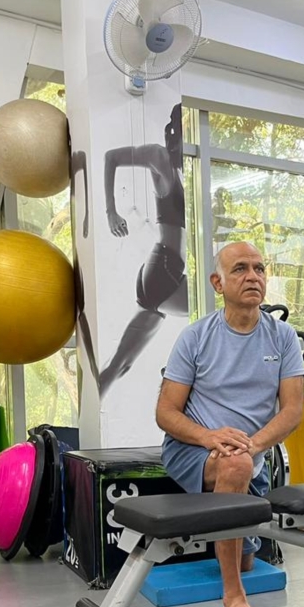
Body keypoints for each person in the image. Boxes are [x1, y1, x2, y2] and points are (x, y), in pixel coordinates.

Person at [156, 241, 304, 607]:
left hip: (250, 453)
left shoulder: (283, 338)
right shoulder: (196, 337)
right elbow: (166, 413)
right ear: (217, 283)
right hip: (192, 450)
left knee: (246, 560)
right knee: (235, 465)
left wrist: (253, 446)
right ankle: (234, 601)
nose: (253, 276)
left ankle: (235, 559)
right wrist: (209, 437)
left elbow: (293, 410)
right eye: (240, 268)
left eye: (259, 268)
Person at [99, 103, 188, 398]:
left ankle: (84, 417)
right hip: (164, 271)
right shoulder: (159, 156)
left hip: (162, 272)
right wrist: (111, 212)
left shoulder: (181, 169)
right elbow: (111, 157)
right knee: (221, 304)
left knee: (119, 366)